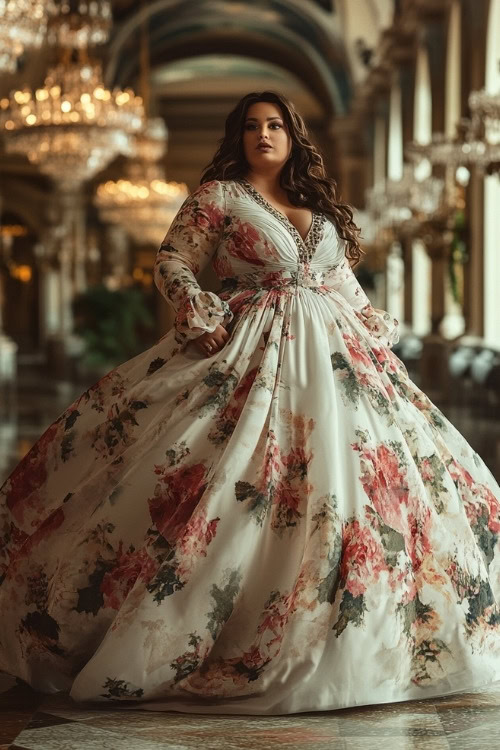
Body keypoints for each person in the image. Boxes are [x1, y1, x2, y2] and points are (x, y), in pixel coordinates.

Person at [0, 91, 499, 716]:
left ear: (294, 136)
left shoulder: (318, 206)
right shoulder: (220, 197)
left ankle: (355, 630)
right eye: (252, 127)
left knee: (354, 482)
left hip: (337, 352)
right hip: (251, 345)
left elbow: (342, 282)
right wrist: (194, 310)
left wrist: (371, 325)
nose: (264, 136)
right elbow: (173, 259)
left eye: (276, 126)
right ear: (238, 137)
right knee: (231, 475)